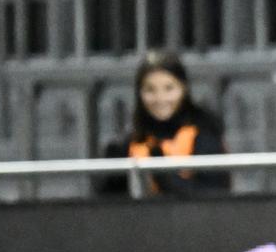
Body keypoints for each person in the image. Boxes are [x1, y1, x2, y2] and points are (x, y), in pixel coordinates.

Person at [96, 50, 230, 197]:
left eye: (169, 88)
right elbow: (108, 202)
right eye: (150, 90)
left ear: (183, 88)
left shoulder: (205, 132)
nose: (160, 98)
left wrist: (161, 170)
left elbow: (214, 194)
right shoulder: (129, 142)